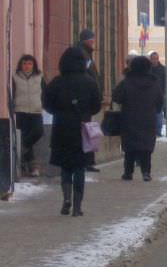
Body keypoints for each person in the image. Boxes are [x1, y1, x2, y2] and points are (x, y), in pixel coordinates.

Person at [44, 46, 101, 216]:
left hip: (61, 127)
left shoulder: (57, 82)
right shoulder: (90, 82)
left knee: (66, 167)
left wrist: (60, 112)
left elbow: (47, 103)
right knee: (80, 168)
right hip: (83, 129)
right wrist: (85, 112)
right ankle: (77, 207)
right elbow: (97, 105)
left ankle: (66, 199)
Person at [114, 56, 163, 182]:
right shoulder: (154, 83)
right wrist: (155, 111)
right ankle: (146, 172)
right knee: (146, 147)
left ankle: (128, 172)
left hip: (129, 118)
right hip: (148, 119)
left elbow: (116, 97)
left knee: (129, 147)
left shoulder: (126, 82)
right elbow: (159, 102)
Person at [11, 55, 46, 180]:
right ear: (21, 65)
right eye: (24, 63)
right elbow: (12, 93)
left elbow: (45, 92)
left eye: (30, 64)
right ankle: (33, 168)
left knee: (38, 132)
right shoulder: (15, 77)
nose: (27, 66)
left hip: (36, 111)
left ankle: (21, 149)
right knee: (25, 135)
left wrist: (44, 105)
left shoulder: (39, 77)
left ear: (34, 65)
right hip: (21, 111)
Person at [77, 29, 101, 172]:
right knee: (85, 131)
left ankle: (88, 160)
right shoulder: (83, 54)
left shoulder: (87, 54)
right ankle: (86, 161)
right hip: (84, 99)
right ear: (85, 40)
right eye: (91, 39)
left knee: (87, 131)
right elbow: (88, 76)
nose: (93, 42)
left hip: (87, 98)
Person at [149, 51, 167, 135]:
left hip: (159, 95)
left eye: (156, 59)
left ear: (158, 59)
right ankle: (151, 131)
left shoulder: (162, 69)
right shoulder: (147, 69)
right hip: (148, 95)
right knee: (150, 114)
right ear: (150, 59)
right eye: (153, 59)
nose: (154, 60)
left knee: (159, 114)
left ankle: (158, 132)